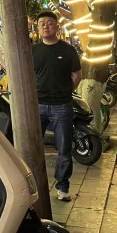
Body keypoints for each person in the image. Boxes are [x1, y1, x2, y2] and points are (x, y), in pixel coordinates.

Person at [33, 11, 82, 202]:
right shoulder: (33, 50)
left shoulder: (68, 50)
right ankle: (34, 185)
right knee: (32, 147)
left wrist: (65, 91)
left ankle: (62, 187)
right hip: (37, 105)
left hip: (62, 106)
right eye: (42, 23)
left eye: (50, 23)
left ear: (57, 27)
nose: (45, 26)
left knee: (64, 148)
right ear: (38, 28)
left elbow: (77, 75)